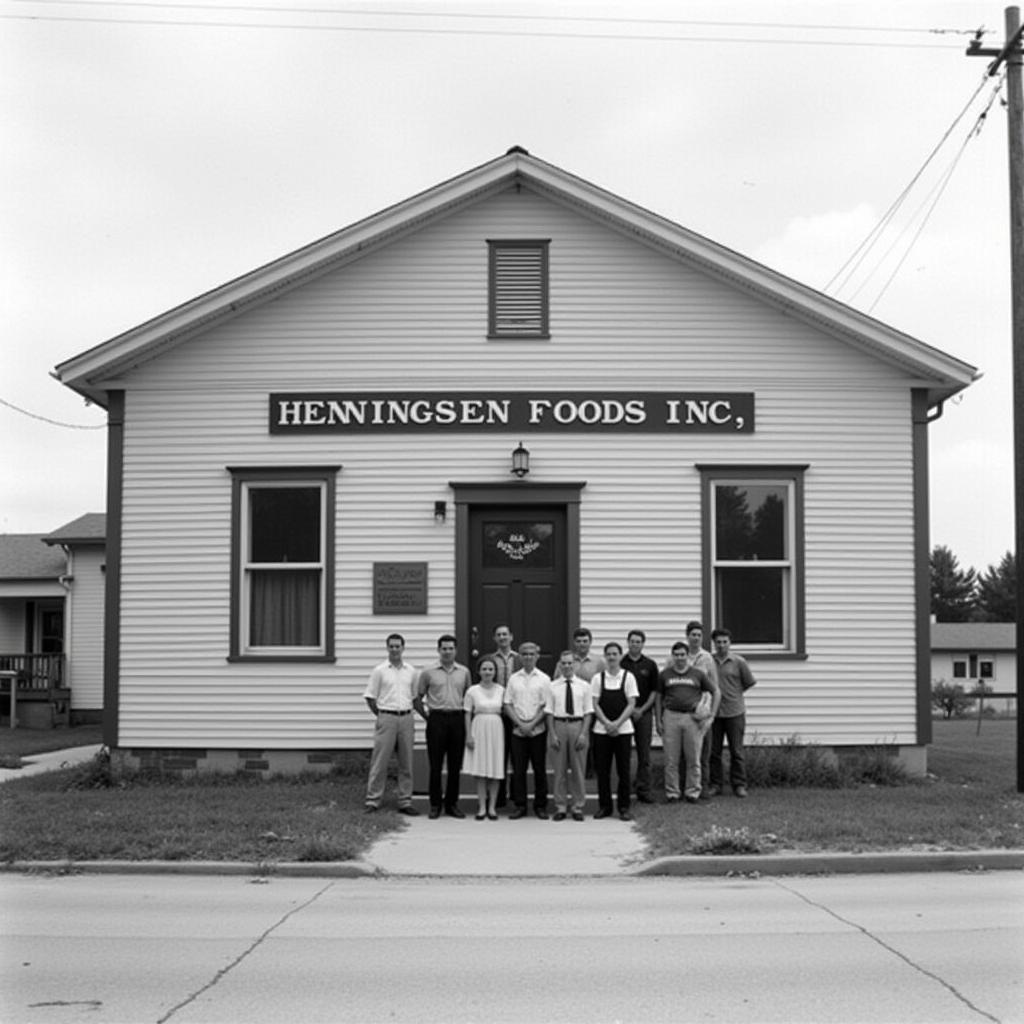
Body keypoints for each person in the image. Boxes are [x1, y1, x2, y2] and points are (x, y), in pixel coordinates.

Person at [415, 633, 472, 819]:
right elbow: (417, 698)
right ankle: (435, 804)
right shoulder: (428, 672)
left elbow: (469, 697)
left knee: (455, 765)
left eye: (451, 648)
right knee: (436, 765)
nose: (447, 652)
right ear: (438, 650)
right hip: (436, 720)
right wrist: (428, 717)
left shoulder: (464, 672)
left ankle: (452, 804)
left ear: (456, 650)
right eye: (444, 648)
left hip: (457, 720)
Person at [656, 641, 719, 804]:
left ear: (687, 656)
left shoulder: (697, 674)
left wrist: (711, 714)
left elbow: (716, 691)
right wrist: (658, 720)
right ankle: (672, 793)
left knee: (693, 758)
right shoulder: (665, 675)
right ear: (672, 656)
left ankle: (692, 792)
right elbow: (658, 698)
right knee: (671, 759)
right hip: (671, 716)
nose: (679, 658)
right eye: (676, 654)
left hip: (692, 719)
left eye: (682, 654)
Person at [363, 633, 420, 815]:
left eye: (398, 646)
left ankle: (405, 801)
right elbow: (371, 697)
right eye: (392, 646)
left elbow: (415, 697)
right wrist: (381, 715)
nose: (395, 649)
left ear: (403, 648)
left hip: (406, 717)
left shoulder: (411, 671)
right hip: (386, 716)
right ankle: (373, 800)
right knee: (380, 761)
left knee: (406, 762)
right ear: (387, 648)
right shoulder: (379, 671)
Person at [503, 641, 551, 819]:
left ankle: (540, 806)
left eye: (532, 654)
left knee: (539, 769)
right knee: (518, 770)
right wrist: (520, 724)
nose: (528, 657)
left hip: (538, 730)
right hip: (518, 731)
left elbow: (547, 706)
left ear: (537, 656)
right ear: (520, 657)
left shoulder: (545, 679)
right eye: (525, 654)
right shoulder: (513, 679)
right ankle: (520, 805)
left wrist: (531, 724)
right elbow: (507, 704)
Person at [591, 642, 639, 821]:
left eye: (615, 654)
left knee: (623, 770)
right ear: (605, 657)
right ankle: (605, 807)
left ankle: (624, 807)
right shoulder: (598, 679)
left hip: (624, 730)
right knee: (602, 770)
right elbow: (595, 704)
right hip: (601, 731)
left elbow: (631, 704)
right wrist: (606, 723)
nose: (611, 657)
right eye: (608, 654)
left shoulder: (628, 677)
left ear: (620, 656)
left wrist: (617, 723)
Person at [546, 650, 594, 821]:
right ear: (559, 665)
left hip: (577, 726)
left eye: (569, 663)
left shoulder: (584, 686)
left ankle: (577, 806)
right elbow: (549, 712)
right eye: (563, 663)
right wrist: (552, 734)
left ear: (575, 664)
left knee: (578, 769)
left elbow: (588, 712)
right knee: (559, 770)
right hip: (559, 725)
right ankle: (560, 806)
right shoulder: (552, 686)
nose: (566, 666)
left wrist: (583, 733)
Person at [710, 628, 757, 798]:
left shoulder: (739, 662)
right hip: (714, 713)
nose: (721, 645)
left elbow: (748, 683)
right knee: (714, 752)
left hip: (735, 712)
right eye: (718, 642)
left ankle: (739, 785)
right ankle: (716, 784)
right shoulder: (709, 661)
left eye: (725, 642)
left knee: (736, 751)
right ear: (714, 644)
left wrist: (734, 693)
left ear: (730, 643)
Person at [482, 624, 522, 808]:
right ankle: (498, 796)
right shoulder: (490, 660)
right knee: (499, 754)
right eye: (499, 635)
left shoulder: (520, 659)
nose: (502, 637)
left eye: (505, 634)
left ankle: (516, 793)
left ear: (511, 637)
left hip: (517, 711)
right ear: (494, 639)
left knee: (516, 755)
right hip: (497, 711)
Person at [463, 656, 506, 820]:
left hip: (496, 727)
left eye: (490, 669)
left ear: (495, 672)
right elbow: (467, 713)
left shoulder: (501, 690)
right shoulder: (472, 691)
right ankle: (481, 807)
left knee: (494, 768)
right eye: (484, 669)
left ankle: (492, 807)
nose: (487, 672)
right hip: (478, 727)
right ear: (479, 671)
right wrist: (469, 735)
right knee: (481, 769)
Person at [682, 620, 720, 799]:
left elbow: (715, 687)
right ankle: (686, 788)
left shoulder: (707, 658)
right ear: (687, 636)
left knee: (703, 753)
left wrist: (711, 713)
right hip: (684, 710)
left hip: (702, 710)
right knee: (685, 753)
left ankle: (702, 788)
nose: (695, 638)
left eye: (698, 635)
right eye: (692, 635)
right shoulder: (680, 655)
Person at [623, 629, 659, 804]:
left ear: (643, 644)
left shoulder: (650, 665)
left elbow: (654, 691)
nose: (635, 644)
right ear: (628, 642)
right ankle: (625, 787)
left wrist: (642, 709)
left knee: (644, 753)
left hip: (644, 714)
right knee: (623, 752)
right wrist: (629, 711)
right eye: (632, 641)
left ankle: (643, 789)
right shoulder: (621, 663)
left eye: (638, 641)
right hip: (624, 714)